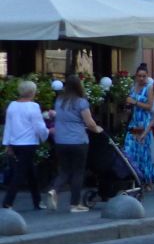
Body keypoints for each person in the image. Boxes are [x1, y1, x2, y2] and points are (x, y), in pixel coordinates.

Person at [44, 74, 105, 213]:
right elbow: (89, 123)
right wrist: (98, 129)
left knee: (64, 170)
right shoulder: (81, 102)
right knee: (78, 172)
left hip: (60, 140)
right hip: (78, 140)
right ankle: (74, 204)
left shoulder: (59, 101)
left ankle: (54, 190)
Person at [3, 80, 50, 213]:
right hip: (28, 143)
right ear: (32, 92)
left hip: (15, 143)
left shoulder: (12, 105)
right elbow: (39, 126)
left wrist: (8, 144)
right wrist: (46, 134)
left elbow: (9, 126)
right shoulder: (33, 107)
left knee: (30, 173)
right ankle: (7, 202)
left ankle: (37, 201)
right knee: (20, 174)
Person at [122, 63, 154, 186]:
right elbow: (130, 103)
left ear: (147, 76)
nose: (141, 78)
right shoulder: (133, 87)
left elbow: (151, 107)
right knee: (130, 149)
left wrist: (135, 102)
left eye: (144, 76)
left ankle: (147, 181)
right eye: (139, 76)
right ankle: (134, 178)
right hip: (134, 122)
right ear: (136, 76)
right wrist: (128, 108)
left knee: (144, 152)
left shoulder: (149, 88)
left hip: (145, 122)